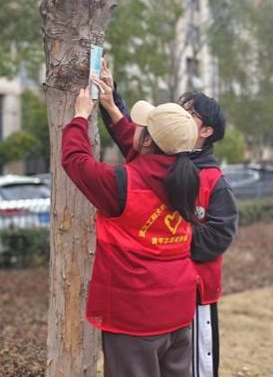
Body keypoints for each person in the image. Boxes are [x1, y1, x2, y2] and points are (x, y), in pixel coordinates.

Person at [94, 60, 238, 377]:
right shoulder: (162, 159)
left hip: (193, 294)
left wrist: (169, 237)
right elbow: (134, 137)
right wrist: (111, 98)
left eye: (189, 113)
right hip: (155, 296)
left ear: (206, 131)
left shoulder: (213, 180)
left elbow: (220, 236)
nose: (179, 115)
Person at [61, 85, 201, 377]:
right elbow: (146, 154)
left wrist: (80, 117)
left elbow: (76, 161)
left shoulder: (121, 184)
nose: (135, 128)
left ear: (147, 140)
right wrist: (112, 109)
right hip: (177, 309)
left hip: (135, 315)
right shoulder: (189, 179)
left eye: (142, 127)